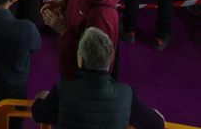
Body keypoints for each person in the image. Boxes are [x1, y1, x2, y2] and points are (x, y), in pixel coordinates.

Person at [31, 27, 165, 129]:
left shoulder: (63, 90)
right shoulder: (127, 95)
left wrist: (41, 97)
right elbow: (157, 124)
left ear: (80, 60)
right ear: (110, 61)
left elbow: (38, 113)